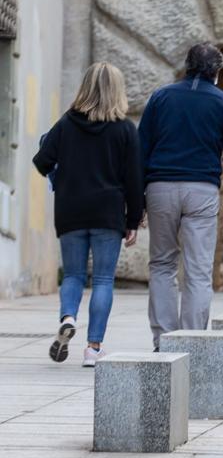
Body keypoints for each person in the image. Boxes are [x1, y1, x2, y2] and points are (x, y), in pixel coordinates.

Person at [32, 63, 143, 366]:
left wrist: (61, 175)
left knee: (73, 275)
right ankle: (93, 348)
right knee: (104, 279)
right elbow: (135, 180)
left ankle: (68, 318)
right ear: (117, 90)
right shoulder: (124, 129)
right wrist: (134, 220)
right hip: (108, 212)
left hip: (71, 209)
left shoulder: (67, 123)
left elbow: (41, 161)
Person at [140, 43, 223, 349]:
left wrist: (136, 203)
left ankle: (163, 338)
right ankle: (190, 342)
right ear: (217, 71)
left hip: (160, 188)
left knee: (162, 264)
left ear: (186, 66)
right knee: (198, 268)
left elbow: (140, 149)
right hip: (202, 191)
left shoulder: (161, 97)